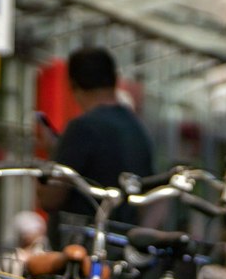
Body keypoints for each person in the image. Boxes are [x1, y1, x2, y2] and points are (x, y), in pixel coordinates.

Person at [38, 47, 154, 245]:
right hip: (125, 244)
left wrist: (51, 155)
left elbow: (51, 198)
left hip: (83, 248)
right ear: (115, 79)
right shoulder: (137, 128)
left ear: (73, 85)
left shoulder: (82, 128)